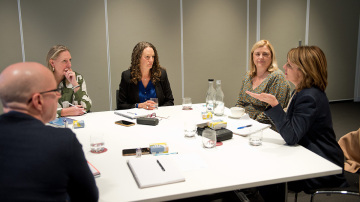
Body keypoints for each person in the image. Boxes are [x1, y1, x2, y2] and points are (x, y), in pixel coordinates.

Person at [247, 46, 347, 201]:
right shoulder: (301, 91)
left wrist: (274, 105)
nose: (284, 67)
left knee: (269, 173)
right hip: (308, 152)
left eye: (290, 65)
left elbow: (291, 136)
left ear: (304, 71)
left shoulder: (309, 97)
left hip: (321, 162)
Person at [0, 62, 98, 201]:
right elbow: (88, 197)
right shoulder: (62, 142)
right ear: (38, 100)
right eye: (54, 92)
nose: (58, 96)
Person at [235, 40, 290, 130]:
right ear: (252, 56)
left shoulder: (277, 77)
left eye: (265, 54)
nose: (261, 57)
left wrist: (253, 124)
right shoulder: (248, 75)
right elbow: (240, 102)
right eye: (257, 54)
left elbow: (273, 110)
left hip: (266, 127)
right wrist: (238, 118)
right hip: (245, 124)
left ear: (271, 57)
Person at [116, 41, 174, 110]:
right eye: (147, 57)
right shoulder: (127, 76)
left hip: (157, 116)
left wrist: (158, 109)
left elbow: (170, 101)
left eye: (153, 57)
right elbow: (121, 105)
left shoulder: (161, 74)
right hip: (136, 118)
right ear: (138, 58)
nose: (151, 60)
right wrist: (139, 105)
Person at [46, 45, 92, 117]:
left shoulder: (77, 78)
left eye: (70, 60)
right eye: (64, 61)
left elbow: (85, 107)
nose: (69, 65)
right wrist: (65, 112)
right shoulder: (41, 81)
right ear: (52, 63)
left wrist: (75, 84)